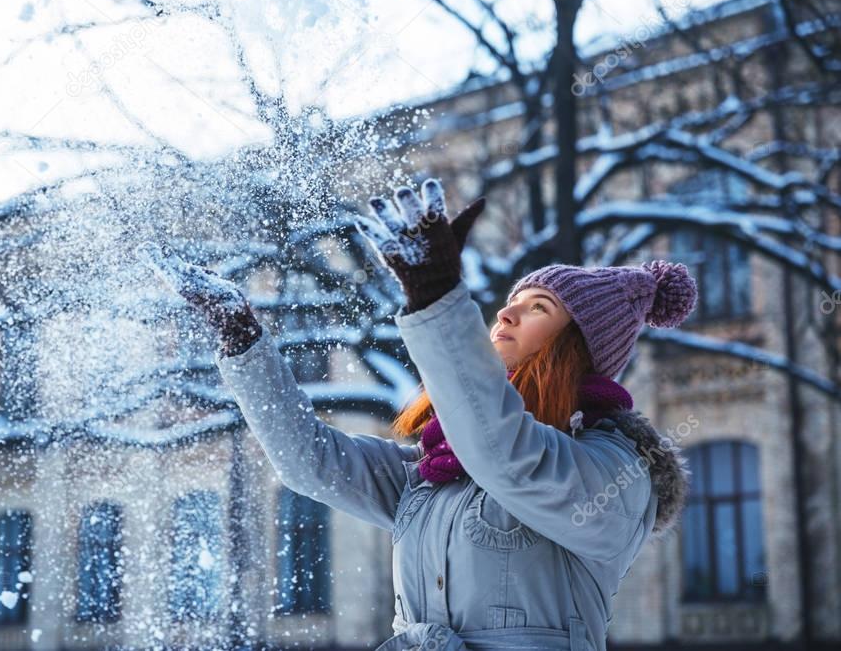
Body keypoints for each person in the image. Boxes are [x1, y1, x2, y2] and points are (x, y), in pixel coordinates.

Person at [138, 178, 693, 651]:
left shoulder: (615, 473)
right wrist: (242, 340)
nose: (506, 311)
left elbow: (506, 457)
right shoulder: (431, 477)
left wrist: (436, 298)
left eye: (537, 309)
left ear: (578, 347)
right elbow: (310, 462)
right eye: (511, 301)